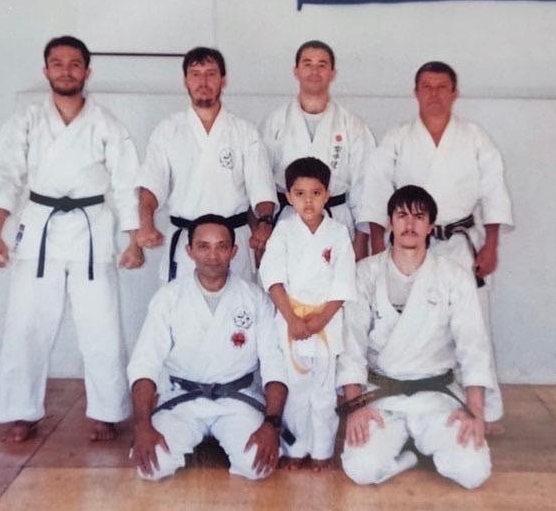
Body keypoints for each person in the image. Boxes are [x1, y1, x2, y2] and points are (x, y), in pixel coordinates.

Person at [0, 35, 143, 442]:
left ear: (87, 71)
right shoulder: (26, 121)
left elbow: (127, 184)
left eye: (74, 64)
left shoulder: (106, 123)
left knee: (102, 326)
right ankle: (21, 412)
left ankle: (107, 411)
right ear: (46, 70)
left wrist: (134, 240)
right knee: (26, 325)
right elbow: (2, 177)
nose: (66, 71)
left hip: (92, 230)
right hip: (39, 229)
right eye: (58, 64)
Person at [359, 61, 513, 423]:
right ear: (415, 93)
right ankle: (404, 397)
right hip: (408, 245)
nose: (434, 94)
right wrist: (379, 246)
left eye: (442, 87)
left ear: (455, 93)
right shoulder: (398, 138)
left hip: (459, 244)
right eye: (426, 87)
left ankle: (481, 406)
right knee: (412, 320)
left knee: (473, 324)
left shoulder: (474, 137)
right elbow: (377, 193)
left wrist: (491, 245)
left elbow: (493, 191)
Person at [338, 185, 495, 489]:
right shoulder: (365, 273)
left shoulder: (454, 277)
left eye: (419, 217)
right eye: (402, 215)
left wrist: (475, 411)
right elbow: (351, 345)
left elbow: (473, 346)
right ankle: (412, 456)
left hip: (437, 395)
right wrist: (355, 407)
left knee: (473, 472)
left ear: (431, 226)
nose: (410, 224)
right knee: (361, 469)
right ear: (390, 222)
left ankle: (426, 443)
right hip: (382, 395)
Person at [128, 214, 288, 481]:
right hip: (182, 400)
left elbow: (275, 364)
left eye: (221, 247)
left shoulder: (254, 297)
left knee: (257, 466)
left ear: (234, 251)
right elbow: (145, 364)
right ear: (189, 251)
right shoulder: (169, 297)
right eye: (203, 246)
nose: (212, 256)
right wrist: (142, 426)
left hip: (237, 400)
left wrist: (271, 424)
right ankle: (197, 437)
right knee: (153, 468)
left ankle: (226, 436)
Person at [136, 47, 277, 283]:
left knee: (237, 303)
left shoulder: (244, 132)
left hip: (233, 242)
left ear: (223, 80)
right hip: (186, 242)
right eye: (195, 74)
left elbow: (261, 187)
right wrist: (146, 222)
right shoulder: (167, 130)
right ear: (185, 81)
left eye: (211, 74)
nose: (203, 82)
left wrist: (265, 222)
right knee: (183, 304)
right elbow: (151, 183)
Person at [259, 157, 356, 471]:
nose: (308, 201)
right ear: (288, 197)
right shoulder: (284, 231)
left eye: (316, 193)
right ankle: (295, 448)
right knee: (296, 390)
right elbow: (272, 278)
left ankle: (322, 451)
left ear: (328, 194)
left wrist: (320, 319)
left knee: (323, 392)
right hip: (291, 320)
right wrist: (292, 319)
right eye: (299, 194)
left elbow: (343, 283)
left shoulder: (338, 233)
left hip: (325, 322)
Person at [261, 40, 376, 260]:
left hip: (337, 220)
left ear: (333, 73)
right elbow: (262, 181)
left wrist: (361, 241)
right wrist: (263, 227)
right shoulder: (274, 122)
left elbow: (365, 188)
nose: (314, 71)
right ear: (296, 71)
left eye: (322, 65)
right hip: (288, 220)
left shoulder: (353, 125)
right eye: (307, 64)